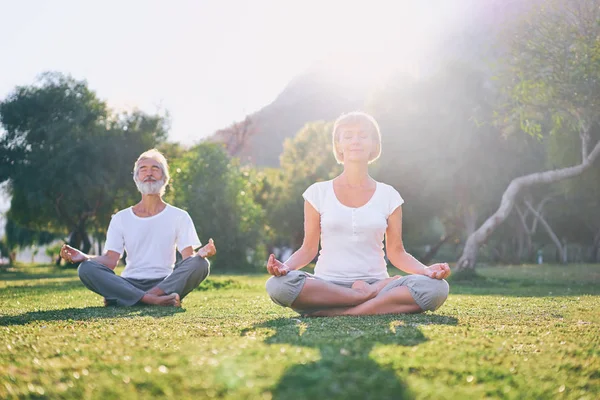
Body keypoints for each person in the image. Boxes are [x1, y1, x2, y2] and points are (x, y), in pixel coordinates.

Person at [265, 112, 450, 317]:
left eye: (363, 135)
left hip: (377, 282)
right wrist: (285, 267)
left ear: (373, 144)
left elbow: (397, 252)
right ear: (339, 145)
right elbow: (308, 249)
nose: (355, 141)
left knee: (437, 288)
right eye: (348, 136)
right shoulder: (317, 193)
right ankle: (363, 300)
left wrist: (426, 271)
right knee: (277, 286)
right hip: (327, 286)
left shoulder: (389, 195)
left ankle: (338, 312)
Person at [61, 149, 216, 307]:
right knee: (86, 268)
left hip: (165, 284)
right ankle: (152, 300)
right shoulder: (120, 218)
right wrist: (84, 257)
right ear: (136, 178)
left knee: (201, 264)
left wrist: (200, 255)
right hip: (130, 283)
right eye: (143, 169)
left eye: (155, 169)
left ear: (165, 178)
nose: (149, 173)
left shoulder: (180, 216)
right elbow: (110, 261)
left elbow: (188, 259)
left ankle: (133, 297)